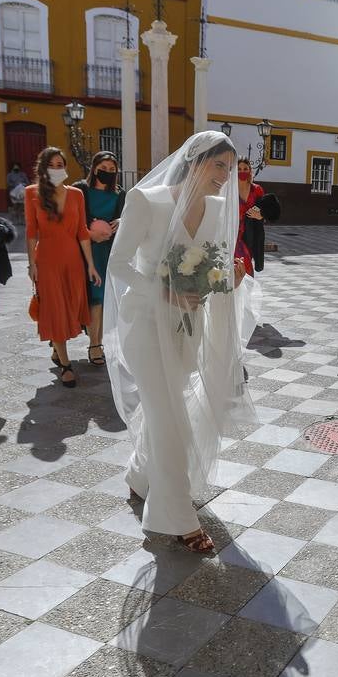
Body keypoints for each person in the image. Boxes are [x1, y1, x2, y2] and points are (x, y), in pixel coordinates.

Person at [105, 131, 257, 553]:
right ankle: (176, 519)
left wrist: (230, 277)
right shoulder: (147, 200)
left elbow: (217, 266)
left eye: (230, 168)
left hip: (188, 323)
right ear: (193, 162)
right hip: (147, 323)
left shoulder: (222, 207)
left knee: (166, 408)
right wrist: (164, 291)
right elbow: (118, 263)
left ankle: (140, 474)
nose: (226, 176)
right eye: (219, 166)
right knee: (171, 414)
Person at [25, 147, 101, 388]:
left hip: (73, 260)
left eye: (61, 165)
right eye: (53, 165)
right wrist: (31, 265)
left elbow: (82, 232)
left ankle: (58, 351)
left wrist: (91, 265)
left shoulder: (77, 194)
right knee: (54, 309)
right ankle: (66, 365)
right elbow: (30, 233)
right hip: (46, 260)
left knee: (70, 307)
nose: (58, 170)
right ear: (43, 168)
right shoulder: (32, 194)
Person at [74, 151, 124, 366]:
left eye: (112, 170)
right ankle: (59, 342)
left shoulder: (120, 195)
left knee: (99, 297)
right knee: (78, 296)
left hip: (106, 252)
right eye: (104, 168)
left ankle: (96, 344)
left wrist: (121, 221)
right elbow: (73, 217)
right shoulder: (80, 190)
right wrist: (89, 233)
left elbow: (127, 216)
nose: (108, 173)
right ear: (94, 168)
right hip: (82, 249)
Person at [235, 158, 279, 273]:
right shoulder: (230, 190)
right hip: (233, 236)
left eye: (245, 169)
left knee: (247, 267)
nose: (242, 172)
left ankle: (247, 290)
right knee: (236, 267)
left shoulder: (257, 190)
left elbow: (263, 211)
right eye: (239, 169)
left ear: (250, 170)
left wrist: (260, 216)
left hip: (251, 235)